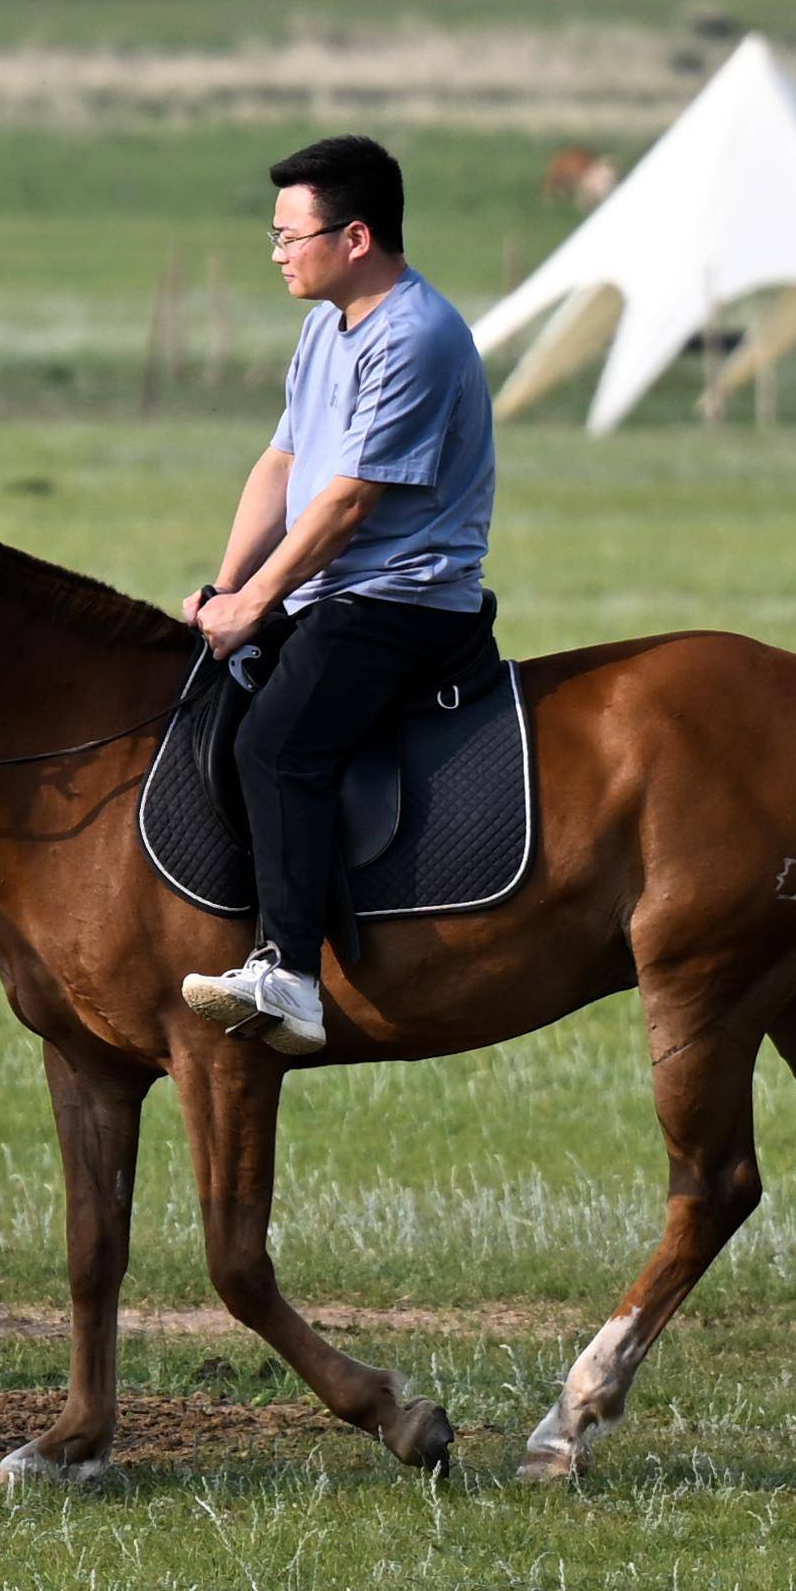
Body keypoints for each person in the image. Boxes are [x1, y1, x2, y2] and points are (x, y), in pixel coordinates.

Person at [176, 132, 500, 1056]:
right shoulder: (327, 326)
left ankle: (290, 976)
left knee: (278, 745)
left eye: (289, 234)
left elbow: (351, 501)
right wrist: (229, 587)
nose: (276, 251)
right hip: (330, 589)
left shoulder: (418, 335)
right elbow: (283, 464)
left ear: (354, 237)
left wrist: (254, 607)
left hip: (403, 598)